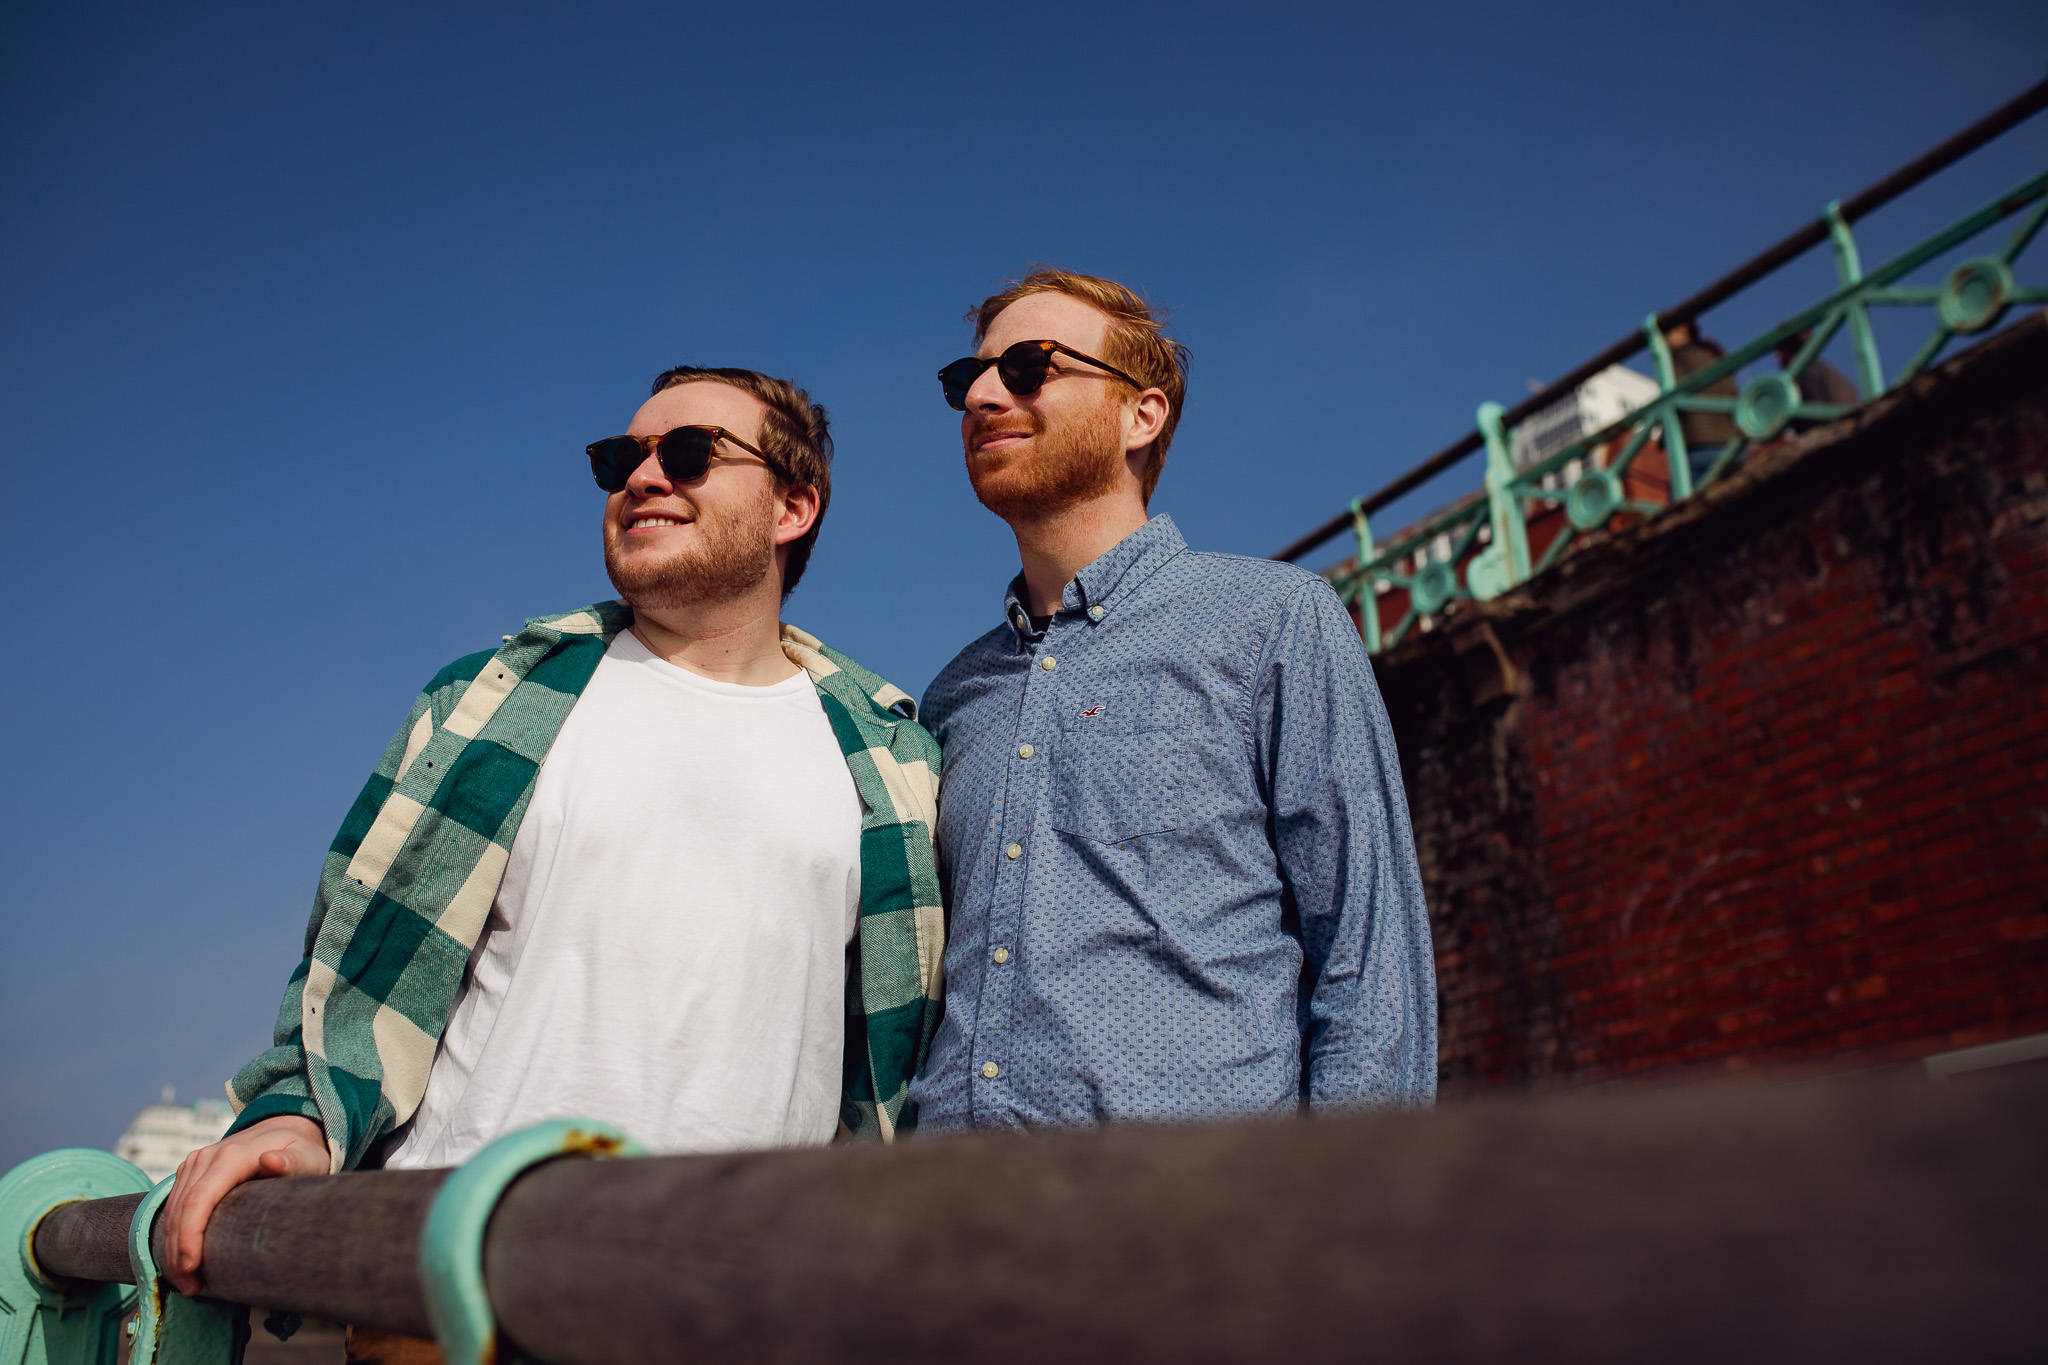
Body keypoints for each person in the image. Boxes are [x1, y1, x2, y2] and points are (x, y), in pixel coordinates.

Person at [159, 366, 943, 1358]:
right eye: (622, 459)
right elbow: (354, 980)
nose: (644, 476)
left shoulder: (889, 759)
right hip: (454, 1300)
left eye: (690, 452)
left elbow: (889, 1066)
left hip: (745, 1310)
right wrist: (298, 1118)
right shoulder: (486, 704)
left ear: (794, 506)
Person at [907, 269, 1436, 1134]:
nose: (985, 394)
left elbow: (1369, 956)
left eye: (1031, 366)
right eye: (968, 379)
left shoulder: (1273, 620)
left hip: (1190, 1222)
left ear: (1139, 415)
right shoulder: (954, 696)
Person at [1663, 318, 1739, 472]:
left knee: (1683, 493)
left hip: (1698, 444)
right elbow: (1734, 395)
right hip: (1732, 444)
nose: (1664, 341)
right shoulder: (1715, 356)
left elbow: (1672, 398)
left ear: (1682, 329)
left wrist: (1663, 438)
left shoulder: (1678, 357)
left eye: (1666, 333)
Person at [1774, 331, 1860, 431]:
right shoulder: (1823, 369)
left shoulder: (1805, 372)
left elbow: (1812, 416)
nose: (1777, 359)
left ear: (1785, 351)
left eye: (1778, 353)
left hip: (1835, 430)